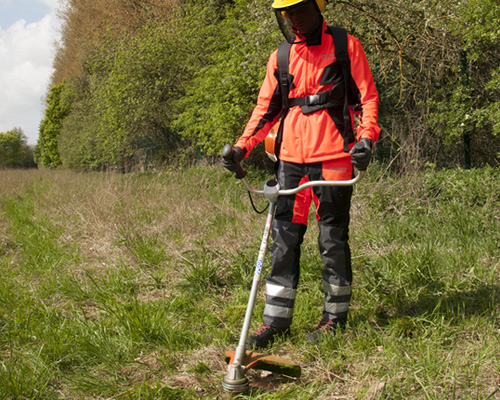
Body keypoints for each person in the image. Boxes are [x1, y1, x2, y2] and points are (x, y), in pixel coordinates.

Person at [223, 0, 380, 347]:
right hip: (289, 162)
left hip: (334, 159)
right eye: (287, 12)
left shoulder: (345, 46)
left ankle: (334, 318)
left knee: (332, 240)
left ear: (317, 6)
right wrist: (240, 148)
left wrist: (367, 138)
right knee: (283, 240)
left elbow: (366, 99)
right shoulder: (280, 56)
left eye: (299, 10)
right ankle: (275, 321)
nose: (293, 18)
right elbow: (265, 111)